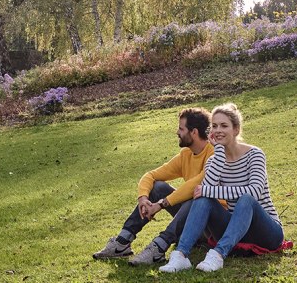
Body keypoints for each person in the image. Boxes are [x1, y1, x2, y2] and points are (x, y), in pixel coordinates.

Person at [159, 102, 283, 273]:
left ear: (236, 130)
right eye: (214, 126)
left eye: (224, 125)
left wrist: (209, 190)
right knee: (203, 198)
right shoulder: (214, 159)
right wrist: (218, 153)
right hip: (235, 229)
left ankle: (217, 255)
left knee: (246, 198)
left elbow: (254, 191)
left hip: (267, 232)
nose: (218, 130)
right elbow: (205, 193)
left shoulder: (255, 155)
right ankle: (181, 255)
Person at [91, 107, 214, 265]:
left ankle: (159, 247)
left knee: (196, 197)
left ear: (194, 132)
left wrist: (162, 204)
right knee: (157, 187)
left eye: (181, 128)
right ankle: (123, 241)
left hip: (210, 227)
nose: (177, 132)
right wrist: (143, 198)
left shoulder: (214, 154)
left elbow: (195, 185)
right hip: (190, 221)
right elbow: (151, 175)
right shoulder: (186, 155)